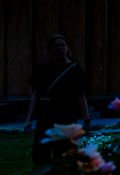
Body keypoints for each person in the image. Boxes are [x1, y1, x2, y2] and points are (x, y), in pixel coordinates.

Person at [23, 35, 91, 166]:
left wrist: (86, 119)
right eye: (56, 45)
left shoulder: (75, 70)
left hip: (66, 114)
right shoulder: (43, 70)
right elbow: (35, 95)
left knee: (65, 151)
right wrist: (29, 119)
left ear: (67, 48)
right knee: (41, 152)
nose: (59, 48)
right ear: (50, 49)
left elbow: (80, 96)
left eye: (62, 45)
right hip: (46, 115)